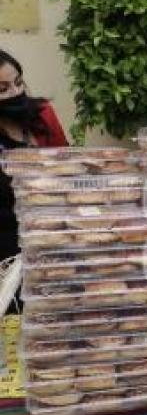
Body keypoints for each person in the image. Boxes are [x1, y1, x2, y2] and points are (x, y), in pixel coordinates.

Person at [0, 49, 68, 312]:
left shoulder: (42, 115)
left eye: (18, 83)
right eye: (2, 89)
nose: (15, 93)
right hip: (7, 248)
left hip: (52, 241)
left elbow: (67, 166)